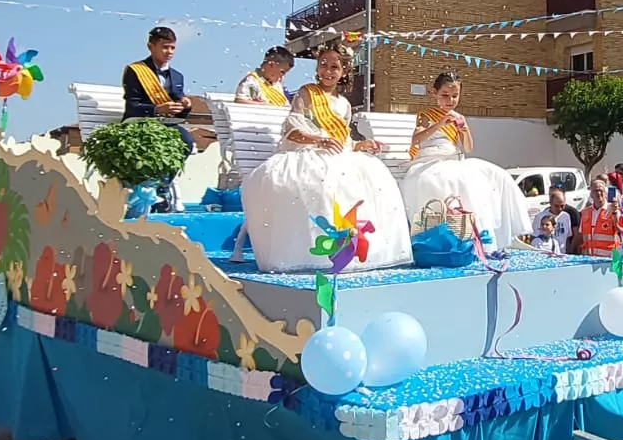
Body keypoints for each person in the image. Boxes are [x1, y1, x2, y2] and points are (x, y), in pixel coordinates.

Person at [239, 47, 411, 272]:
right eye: (323, 65)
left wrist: (362, 145)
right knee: (320, 182)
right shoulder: (306, 93)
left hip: (338, 156)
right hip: (305, 153)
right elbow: (291, 129)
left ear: (344, 71)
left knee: (374, 176)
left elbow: (343, 140)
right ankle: (309, 253)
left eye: (334, 67)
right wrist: (318, 140)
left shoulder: (344, 104)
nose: (327, 71)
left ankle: (358, 251)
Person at [400, 72, 529, 250]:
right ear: (434, 94)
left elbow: (467, 148)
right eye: (445, 95)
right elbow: (416, 140)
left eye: (454, 96)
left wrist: (465, 129)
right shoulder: (425, 115)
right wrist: (440, 123)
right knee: (441, 180)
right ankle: (444, 234)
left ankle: (481, 234)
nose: (450, 100)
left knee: (497, 175)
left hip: (453, 159)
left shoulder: (459, 117)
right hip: (429, 161)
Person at [121, 26, 194, 154]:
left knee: (186, 142)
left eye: (173, 48)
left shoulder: (177, 76)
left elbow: (179, 114)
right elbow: (131, 106)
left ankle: (168, 175)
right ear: (151, 47)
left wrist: (185, 106)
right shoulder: (136, 70)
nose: (169, 52)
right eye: (165, 47)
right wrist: (157, 109)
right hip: (139, 122)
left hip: (167, 124)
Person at [577, 178, 620, 259]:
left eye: (601, 190)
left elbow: (619, 229)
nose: (599, 193)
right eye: (596, 191)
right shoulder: (585, 212)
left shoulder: (613, 210)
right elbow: (581, 235)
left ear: (605, 193)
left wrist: (615, 212)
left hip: (608, 258)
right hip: (589, 258)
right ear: (591, 194)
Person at [531, 186, 580, 254]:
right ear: (550, 203)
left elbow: (567, 238)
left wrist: (568, 253)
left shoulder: (566, 216)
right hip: (545, 255)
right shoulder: (540, 217)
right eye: (556, 206)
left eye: (562, 206)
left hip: (562, 255)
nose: (559, 209)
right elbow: (534, 237)